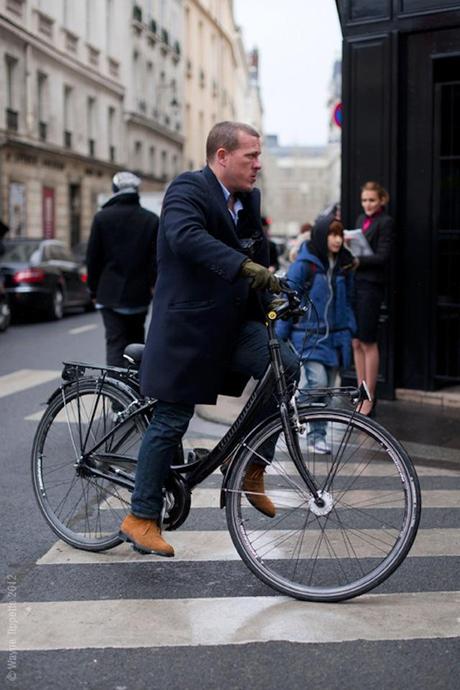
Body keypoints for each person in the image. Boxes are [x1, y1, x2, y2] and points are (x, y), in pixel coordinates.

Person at [119, 121, 299, 557]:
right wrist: (243, 267)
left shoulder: (248, 199)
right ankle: (140, 517)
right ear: (222, 156)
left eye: (259, 156)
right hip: (188, 329)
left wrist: (276, 289)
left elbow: (259, 253)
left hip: (233, 324)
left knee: (286, 366)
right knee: (172, 419)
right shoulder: (187, 189)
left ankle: (253, 467)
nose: (259, 165)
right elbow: (186, 237)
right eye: (250, 156)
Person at [277, 217, 356, 453]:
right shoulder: (305, 265)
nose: (337, 239)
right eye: (332, 234)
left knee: (327, 394)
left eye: (340, 235)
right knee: (318, 384)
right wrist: (280, 337)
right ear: (322, 236)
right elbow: (288, 299)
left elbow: (349, 300)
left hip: (335, 338)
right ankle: (284, 412)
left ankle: (317, 437)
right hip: (307, 336)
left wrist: (351, 329)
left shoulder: (344, 265)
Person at [86, 172, 159, 367]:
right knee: (136, 343)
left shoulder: (102, 218)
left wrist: (92, 290)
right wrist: (152, 284)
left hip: (109, 294)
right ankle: (135, 391)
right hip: (139, 294)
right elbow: (155, 259)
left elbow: (93, 259)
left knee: (115, 343)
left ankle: (116, 391)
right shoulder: (151, 220)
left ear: (114, 190)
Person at [351, 181, 393, 416]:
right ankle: (361, 393)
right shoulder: (359, 220)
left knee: (367, 341)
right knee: (355, 342)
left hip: (372, 287)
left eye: (372, 200)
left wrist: (358, 260)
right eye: (365, 200)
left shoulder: (385, 222)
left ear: (381, 200)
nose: (367, 204)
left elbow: (383, 257)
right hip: (356, 284)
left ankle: (370, 398)